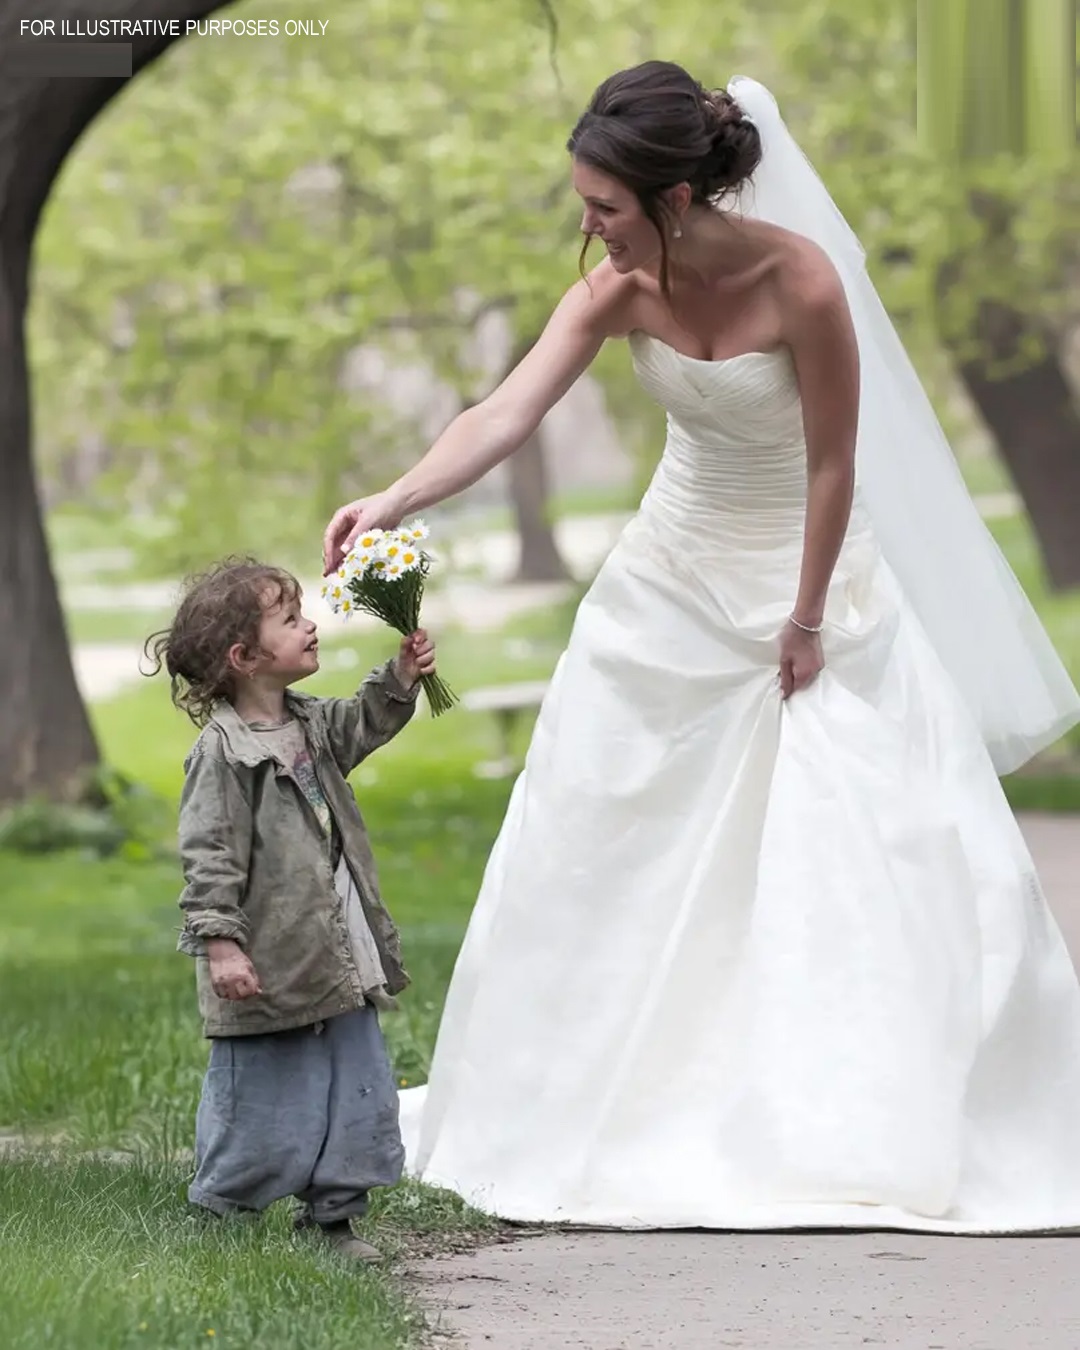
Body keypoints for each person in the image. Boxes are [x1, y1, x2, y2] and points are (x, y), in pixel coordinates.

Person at [322, 64, 1080, 1233]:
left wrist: (811, 617)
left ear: (676, 199)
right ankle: (605, 1097)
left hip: (809, 573)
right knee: (606, 823)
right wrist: (394, 497)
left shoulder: (802, 283)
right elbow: (505, 412)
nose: (586, 224)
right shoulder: (615, 287)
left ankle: (844, 1114)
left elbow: (835, 462)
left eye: (604, 205)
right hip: (672, 582)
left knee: (862, 839)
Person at [146, 557, 436, 1261]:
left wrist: (400, 678)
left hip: (333, 955)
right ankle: (226, 1212)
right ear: (245, 657)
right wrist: (221, 943)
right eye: (291, 619)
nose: (311, 626)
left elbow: (364, 724)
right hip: (269, 962)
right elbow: (209, 854)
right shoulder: (221, 753)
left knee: (353, 1090)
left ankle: (333, 1218)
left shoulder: (309, 725)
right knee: (263, 1102)